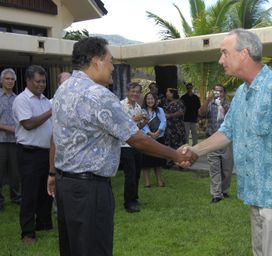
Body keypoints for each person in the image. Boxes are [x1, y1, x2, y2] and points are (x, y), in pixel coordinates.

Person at [47, 37, 197, 256]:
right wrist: (175, 155)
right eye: (110, 60)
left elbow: (55, 135)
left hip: (65, 184)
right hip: (90, 190)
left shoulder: (63, 89)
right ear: (95, 61)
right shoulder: (98, 95)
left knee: (72, 248)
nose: (113, 67)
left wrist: (52, 172)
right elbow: (136, 139)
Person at [183, 29, 272, 255]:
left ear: (243, 54)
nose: (221, 60)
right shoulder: (242, 93)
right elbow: (227, 131)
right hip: (256, 194)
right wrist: (195, 150)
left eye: (224, 53)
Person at [12, 65, 53, 245]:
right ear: (28, 81)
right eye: (38, 81)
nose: (42, 84)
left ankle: (43, 223)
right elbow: (28, 124)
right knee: (29, 194)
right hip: (29, 153)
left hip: (46, 152)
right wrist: (51, 111)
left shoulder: (45, 100)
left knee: (46, 190)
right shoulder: (22, 100)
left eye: (44, 81)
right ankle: (27, 233)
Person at [199, 84, 233, 203]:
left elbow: (233, 117)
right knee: (214, 168)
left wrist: (223, 105)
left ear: (224, 93)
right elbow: (201, 114)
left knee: (227, 169)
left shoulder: (228, 104)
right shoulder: (210, 104)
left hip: (226, 141)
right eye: (216, 91)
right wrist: (208, 99)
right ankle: (216, 194)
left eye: (220, 91)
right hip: (212, 139)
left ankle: (224, 190)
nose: (218, 94)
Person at [120, 82, 146, 213]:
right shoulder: (120, 105)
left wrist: (143, 122)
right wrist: (134, 119)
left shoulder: (138, 107)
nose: (135, 94)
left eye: (137, 92)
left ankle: (134, 198)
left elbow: (138, 127)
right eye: (133, 91)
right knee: (130, 174)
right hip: (125, 145)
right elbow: (120, 125)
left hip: (137, 144)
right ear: (127, 92)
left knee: (136, 174)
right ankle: (128, 203)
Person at [0, 68, 21, 211]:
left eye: (12, 79)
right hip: (1, 141)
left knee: (15, 172)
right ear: (1, 81)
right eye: (7, 79)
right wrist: (10, 128)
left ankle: (16, 197)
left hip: (15, 141)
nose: (10, 81)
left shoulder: (17, 99)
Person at [141, 92, 167, 187]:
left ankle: (159, 181)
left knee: (158, 161)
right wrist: (149, 133)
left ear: (155, 100)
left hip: (159, 138)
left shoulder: (160, 110)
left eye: (152, 99)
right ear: (145, 100)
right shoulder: (142, 111)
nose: (150, 101)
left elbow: (163, 122)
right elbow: (142, 125)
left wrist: (157, 133)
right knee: (146, 162)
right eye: (148, 99)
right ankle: (147, 183)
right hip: (147, 138)